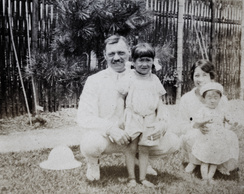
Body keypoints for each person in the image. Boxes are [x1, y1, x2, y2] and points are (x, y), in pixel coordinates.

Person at [77, 35, 180, 181]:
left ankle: (142, 160)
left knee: (173, 141)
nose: (117, 57)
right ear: (104, 55)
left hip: (138, 134)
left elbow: (159, 103)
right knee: (90, 143)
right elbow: (83, 117)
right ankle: (93, 163)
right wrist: (111, 128)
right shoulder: (95, 80)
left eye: (121, 53)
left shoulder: (144, 74)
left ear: (129, 54)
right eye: (111, 53)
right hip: (109, 138)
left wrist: (162, 123)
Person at [118, 43, 167, 187]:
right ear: (133, 62)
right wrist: (121, 117)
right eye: (140, 60)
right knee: (131, 148)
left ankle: (143, 178)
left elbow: (159, 100)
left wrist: (160, 118)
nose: (144, 64)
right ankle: (131, 177)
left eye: (148, 60)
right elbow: (120, 97)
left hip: (149, 117)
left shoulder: (154, 79)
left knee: (145, 148)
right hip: (133, 116)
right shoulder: (129, 77)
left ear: (153, 61)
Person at [177, 60, 230, 173]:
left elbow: (226, 121)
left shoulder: (221, 99)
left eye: (204, 75)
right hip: (196, 134)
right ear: (192, 77)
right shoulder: (186, 98)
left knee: (229, 136)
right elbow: (181, 125)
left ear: (211, 77)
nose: (200, 79)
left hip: (217, 135)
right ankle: (195, 162)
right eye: (196, 75)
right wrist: (198, 127)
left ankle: (217, 162)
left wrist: (219, 129)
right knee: (193, 135)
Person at [189, 82, 239, 184]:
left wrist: (233, 122)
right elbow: (195, 123)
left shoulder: (221, 110)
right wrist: (203, 122)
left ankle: (210, 178)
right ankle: (204, 178)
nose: (212, 100)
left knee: (215, 160)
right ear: (204, 99)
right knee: (205, 160)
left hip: (218, 141)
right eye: (209, 98)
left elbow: (229, 119)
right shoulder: (202, 110)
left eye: (215, 98)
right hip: (205, 140)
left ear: (220, 98)